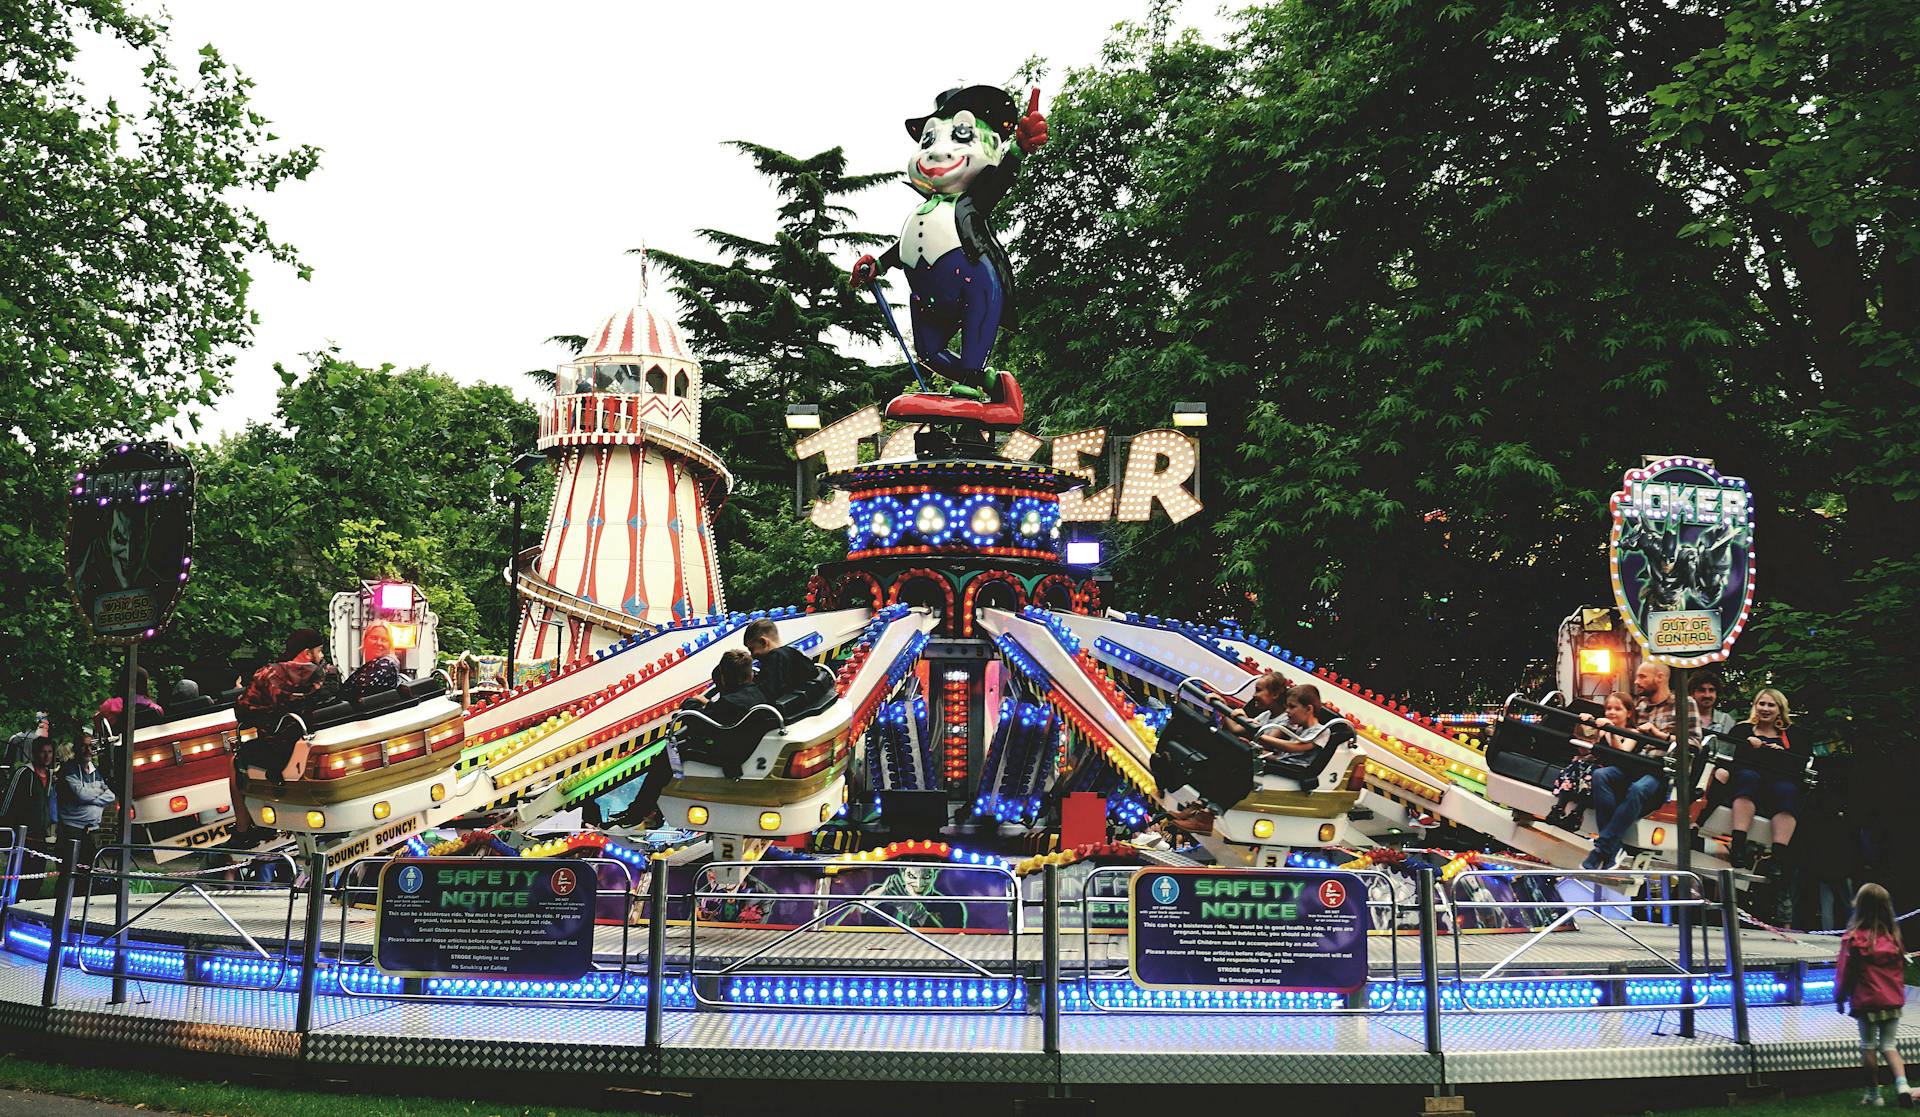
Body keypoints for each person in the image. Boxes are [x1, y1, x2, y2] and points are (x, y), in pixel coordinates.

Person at [609, 650, 767, 829]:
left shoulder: (730, 703)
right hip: (743, 746)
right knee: (677, 747)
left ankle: (638, 812)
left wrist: (691, 704)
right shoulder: (758, 694)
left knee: (669, 756)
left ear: (724, 677)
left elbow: (697, 723)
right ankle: (649, 809)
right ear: (750, 673)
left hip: (728, 755)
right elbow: (722, 716)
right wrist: (709, 706)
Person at [1582, 661, 1698, 870]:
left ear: (1660, 677)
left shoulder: (1684, 703)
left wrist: (1659, 734)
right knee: (1602, 776)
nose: (1636, 681)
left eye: (1643, 676)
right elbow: (1624, 728)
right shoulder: (1641, 705)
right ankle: (1613, 847)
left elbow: (1694, 744)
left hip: (1662, 768)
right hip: (1634, 763)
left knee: (1638, 789)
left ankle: (1601, 849)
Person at [1834, 883, 1910, 1107]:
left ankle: (1873, 1095)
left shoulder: (1854, 939)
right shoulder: (1894, 938)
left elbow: (1844, 972)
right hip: (1892, 1001)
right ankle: (1903, 1085)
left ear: (1859, 906)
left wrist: (1839, 997)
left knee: (1868, 1046)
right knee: (1889, 1045)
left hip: (1867, 1001)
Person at [236, 627, 339, 786]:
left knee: (238, 757)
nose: (322, 655)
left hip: (278, 752)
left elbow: (243, 712)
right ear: (307, 653)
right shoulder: (329, 674)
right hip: (324, 740)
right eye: (319, 651)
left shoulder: (266, 674)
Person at [1720, 688, 1804, 872]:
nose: (1765, 708)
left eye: (1771, 705)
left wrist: (1781, 753)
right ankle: (1738, 845)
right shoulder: (1742, 730)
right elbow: (1729, 756)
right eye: (1762, 704)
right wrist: (1750, 745)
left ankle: (1778, 858)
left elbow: (1799, 764)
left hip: (1777, 782)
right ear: (1755, 706)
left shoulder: (1794, 736)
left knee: (1788, 791)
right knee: (1748, 778)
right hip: (1747, 780)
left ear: (1780, 709)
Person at [1548, 691, 1633, 830]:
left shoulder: (1632, 733)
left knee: (1593, 772)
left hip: (1614, 772)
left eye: (1618, 709)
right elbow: (1586, 745)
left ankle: (1578, 813)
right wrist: (1586, 723)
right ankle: (1559, 807)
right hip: (1596, 765)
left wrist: (1611, 729)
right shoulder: (1603, 729)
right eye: (1609, 708)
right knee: (1578, 765)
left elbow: (1622, 752)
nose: (1612, 712)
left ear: (1628, 713)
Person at [55, 732, 117, 893]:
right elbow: (81, 794)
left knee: (88, 873)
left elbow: (110, 795)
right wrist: (96, 793)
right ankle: (63, 910)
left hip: (91, 831)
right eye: (83, 745)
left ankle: (82, 908)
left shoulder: (94, 770)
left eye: (91, 746)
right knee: (70, 874)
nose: (88, 749)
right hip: (72, 829)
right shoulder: (68, 769)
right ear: (76, 748)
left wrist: (91, 797)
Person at [0, 734, 58, 900]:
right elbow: (7, 803)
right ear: (34, 753)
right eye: (42, 752)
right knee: (18, 878)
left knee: (36, 879)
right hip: (22, 837)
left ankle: (27, 909)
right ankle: (10, 910)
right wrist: (7, 835)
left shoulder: (49, 777)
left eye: (49, 752)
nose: (46, 756)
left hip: (40, 837)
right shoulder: (23, 773)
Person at [743, 618, 815, 701]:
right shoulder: (794, 653)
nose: (752, 655)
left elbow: (765, 694)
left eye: (752, 649)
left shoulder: (775, 659)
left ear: (764, 642)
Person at [342, 623, 403, 703]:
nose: (379, 643)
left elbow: (358, 694)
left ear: (390, 645)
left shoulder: (385, 666)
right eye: (374, 638)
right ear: (365, 639)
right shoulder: (371, 665)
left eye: (384, 640)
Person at [1688, 673, 1737, 740]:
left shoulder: (1726, 720)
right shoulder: (1683, 719)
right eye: (1702, 690)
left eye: (1711, 690)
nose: (1707, 695)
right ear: (1692, 694)